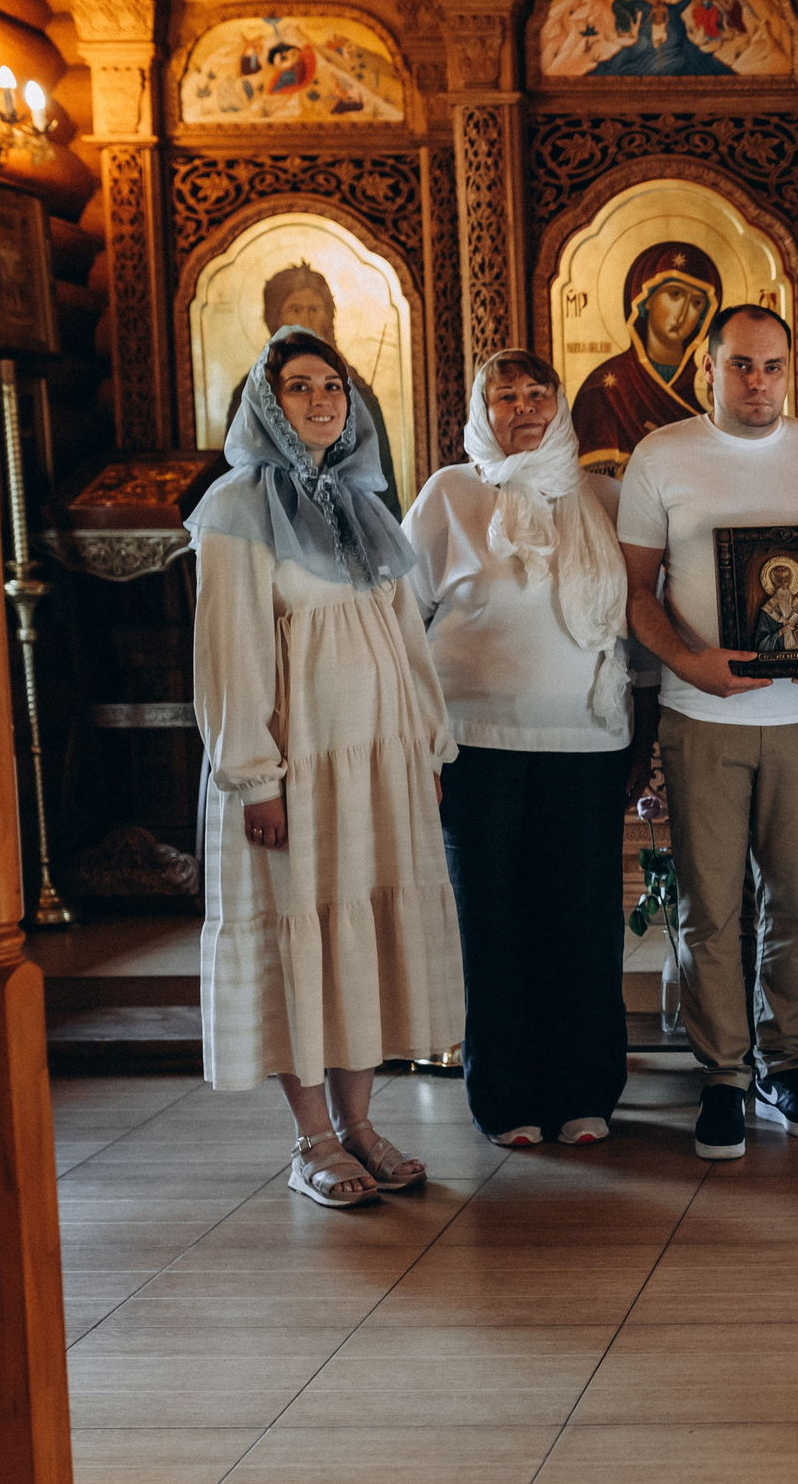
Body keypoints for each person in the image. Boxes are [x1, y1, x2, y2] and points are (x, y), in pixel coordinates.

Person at [188, 327, 460, 1207]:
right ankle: (310, 1137)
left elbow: (403, 639)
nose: (319, 401)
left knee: (366, 939)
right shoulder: (234, 507)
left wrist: (425, 744)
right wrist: (255, 776)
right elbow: (229, 654)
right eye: (298, 386)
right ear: (265, 403)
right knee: (299, 934)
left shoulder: (362, 500)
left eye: (333, 387)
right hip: (295, 767)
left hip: (377, 768)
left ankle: (360, 1123)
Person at [623, 305, 798, 1161]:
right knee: (709, 903)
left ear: (791, 369)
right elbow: (636, 593)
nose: (757, 382)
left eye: (772, 366)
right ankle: (722, 1073)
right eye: (740, 366)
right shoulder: (663, 456)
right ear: (708, 370)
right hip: (702, 715)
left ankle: (784, 1063)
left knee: (795, 899)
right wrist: (689, 667)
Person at [405, 349, 638, 1150]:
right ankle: (503, 1096)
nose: (524, 406)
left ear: (562, 404)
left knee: (582, 919)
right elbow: (402, 621)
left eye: (539, 392)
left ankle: (585, 1090)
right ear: (482, 410)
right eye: (505, 395)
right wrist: (417, 744)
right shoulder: (452, 494)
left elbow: (634, 613)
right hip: (475, 742)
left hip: (588, 737)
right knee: (493, 919)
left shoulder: (601, 494)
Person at [261, 260, 401, 512]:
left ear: (328, 317)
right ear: (275, 317)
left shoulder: (355, 389)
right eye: (295, 309)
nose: (305, 319)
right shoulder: (254, 390)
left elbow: (378, 473)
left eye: (314, 309)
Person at [574, 241, 723, 478]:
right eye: (674, 294)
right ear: (646, 299)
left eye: (696, 303)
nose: (683, 314)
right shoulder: (603, 389)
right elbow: (594, 484)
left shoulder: (710, 386)